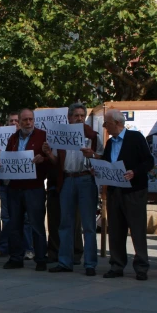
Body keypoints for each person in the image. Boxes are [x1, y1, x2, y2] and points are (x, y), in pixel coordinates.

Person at [94, 109, 155, 280]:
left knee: (137, 229)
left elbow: (149, 161)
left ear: (117, 123)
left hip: (134, 190)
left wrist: (134, 172)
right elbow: (108, 163)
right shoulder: (110, 143)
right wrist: (98, 169)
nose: (105, 127)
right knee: (115, 229)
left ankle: (141, 267)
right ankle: (116, 265)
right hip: (115, 190)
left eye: (107, 123)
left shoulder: (135, 137)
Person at [2, 108, 55, 271]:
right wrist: (0, 160)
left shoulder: (43, 136)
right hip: (15, 188)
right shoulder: (12, 138)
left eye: (30, 119)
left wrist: (44, 158)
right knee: (14, 224)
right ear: (18, 121)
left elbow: (52, 161)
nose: (28, 122)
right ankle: (16, 257)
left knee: (37, 224)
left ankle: (40, 258)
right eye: (24, 119)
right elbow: (8, 160)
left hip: (34, 187)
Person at [49, 102, 99, 276]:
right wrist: (48, 153)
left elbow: (102, 157)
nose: (79, 118)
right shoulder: (61, 135)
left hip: (85, 178)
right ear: (69, 117)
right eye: (76, 115)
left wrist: (92, 156)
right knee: (65, 224)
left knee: (88, 225)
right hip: (68, 179)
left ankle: (90, 263)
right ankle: (65, 261)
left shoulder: (92, 135)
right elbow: (56, 161)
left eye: (81, 115)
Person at [0, 112, 33, 258]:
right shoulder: (4, 139)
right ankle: (6, 247)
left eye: (17, 120)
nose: (14, 123)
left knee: (27, 218)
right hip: (7, 183)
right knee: (7, 217)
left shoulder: (26, 139)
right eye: (11, 121)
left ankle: (28, 248)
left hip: (25, 184)